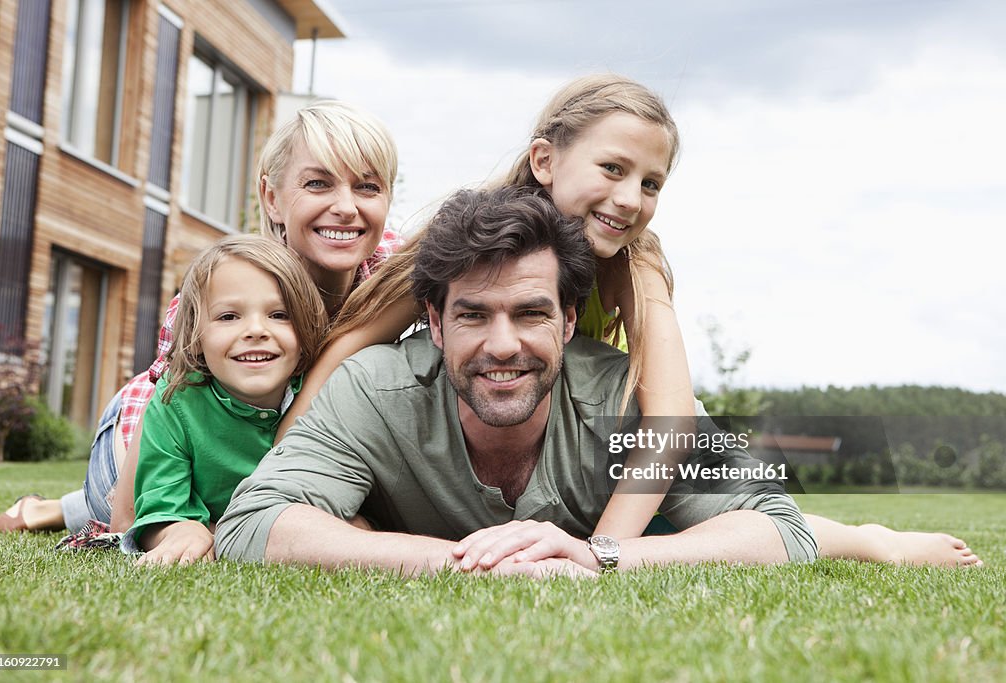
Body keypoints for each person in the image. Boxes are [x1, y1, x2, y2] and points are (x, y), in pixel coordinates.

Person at [276, 74, 981, 568]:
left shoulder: (636, 262)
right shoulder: (467, 244)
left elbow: (669, 413)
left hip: (600, 432)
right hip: (489, 423)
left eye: (651, 183)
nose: (630, 197)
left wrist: (601, 551)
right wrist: (279, 457)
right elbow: (353, 340)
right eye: (612, 168)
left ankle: (871, 537)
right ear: (545, 160)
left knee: (713, 522)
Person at [215, 186, 818, 575]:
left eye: (531, 313)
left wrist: (594, 556)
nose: (503, 345)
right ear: (434, 323)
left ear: (568, 321)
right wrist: (456, 561)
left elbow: (781, 527)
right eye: (473, 314)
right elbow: (253, 523)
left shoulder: (623, 396)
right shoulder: (374, 388)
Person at [0, 100, 401, 536]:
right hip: (155, 432)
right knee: (168, 508)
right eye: (317, 184)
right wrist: (128, 518)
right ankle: (66, 508)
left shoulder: (395, 271)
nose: (345, 207)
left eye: (367, 187)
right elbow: (164, 408)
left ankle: (62, 507)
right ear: (272, 198)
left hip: (253, 442)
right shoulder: (223, 288)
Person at [127, 235, 326, 565]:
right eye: (228, 317)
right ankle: (52, 508)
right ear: (195, 335)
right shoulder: (175, 399)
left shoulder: (324, 395)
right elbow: (156, 510)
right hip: (122, 438)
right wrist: (179, 530)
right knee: (99, 503)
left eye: (279, 314)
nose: (256, 330)